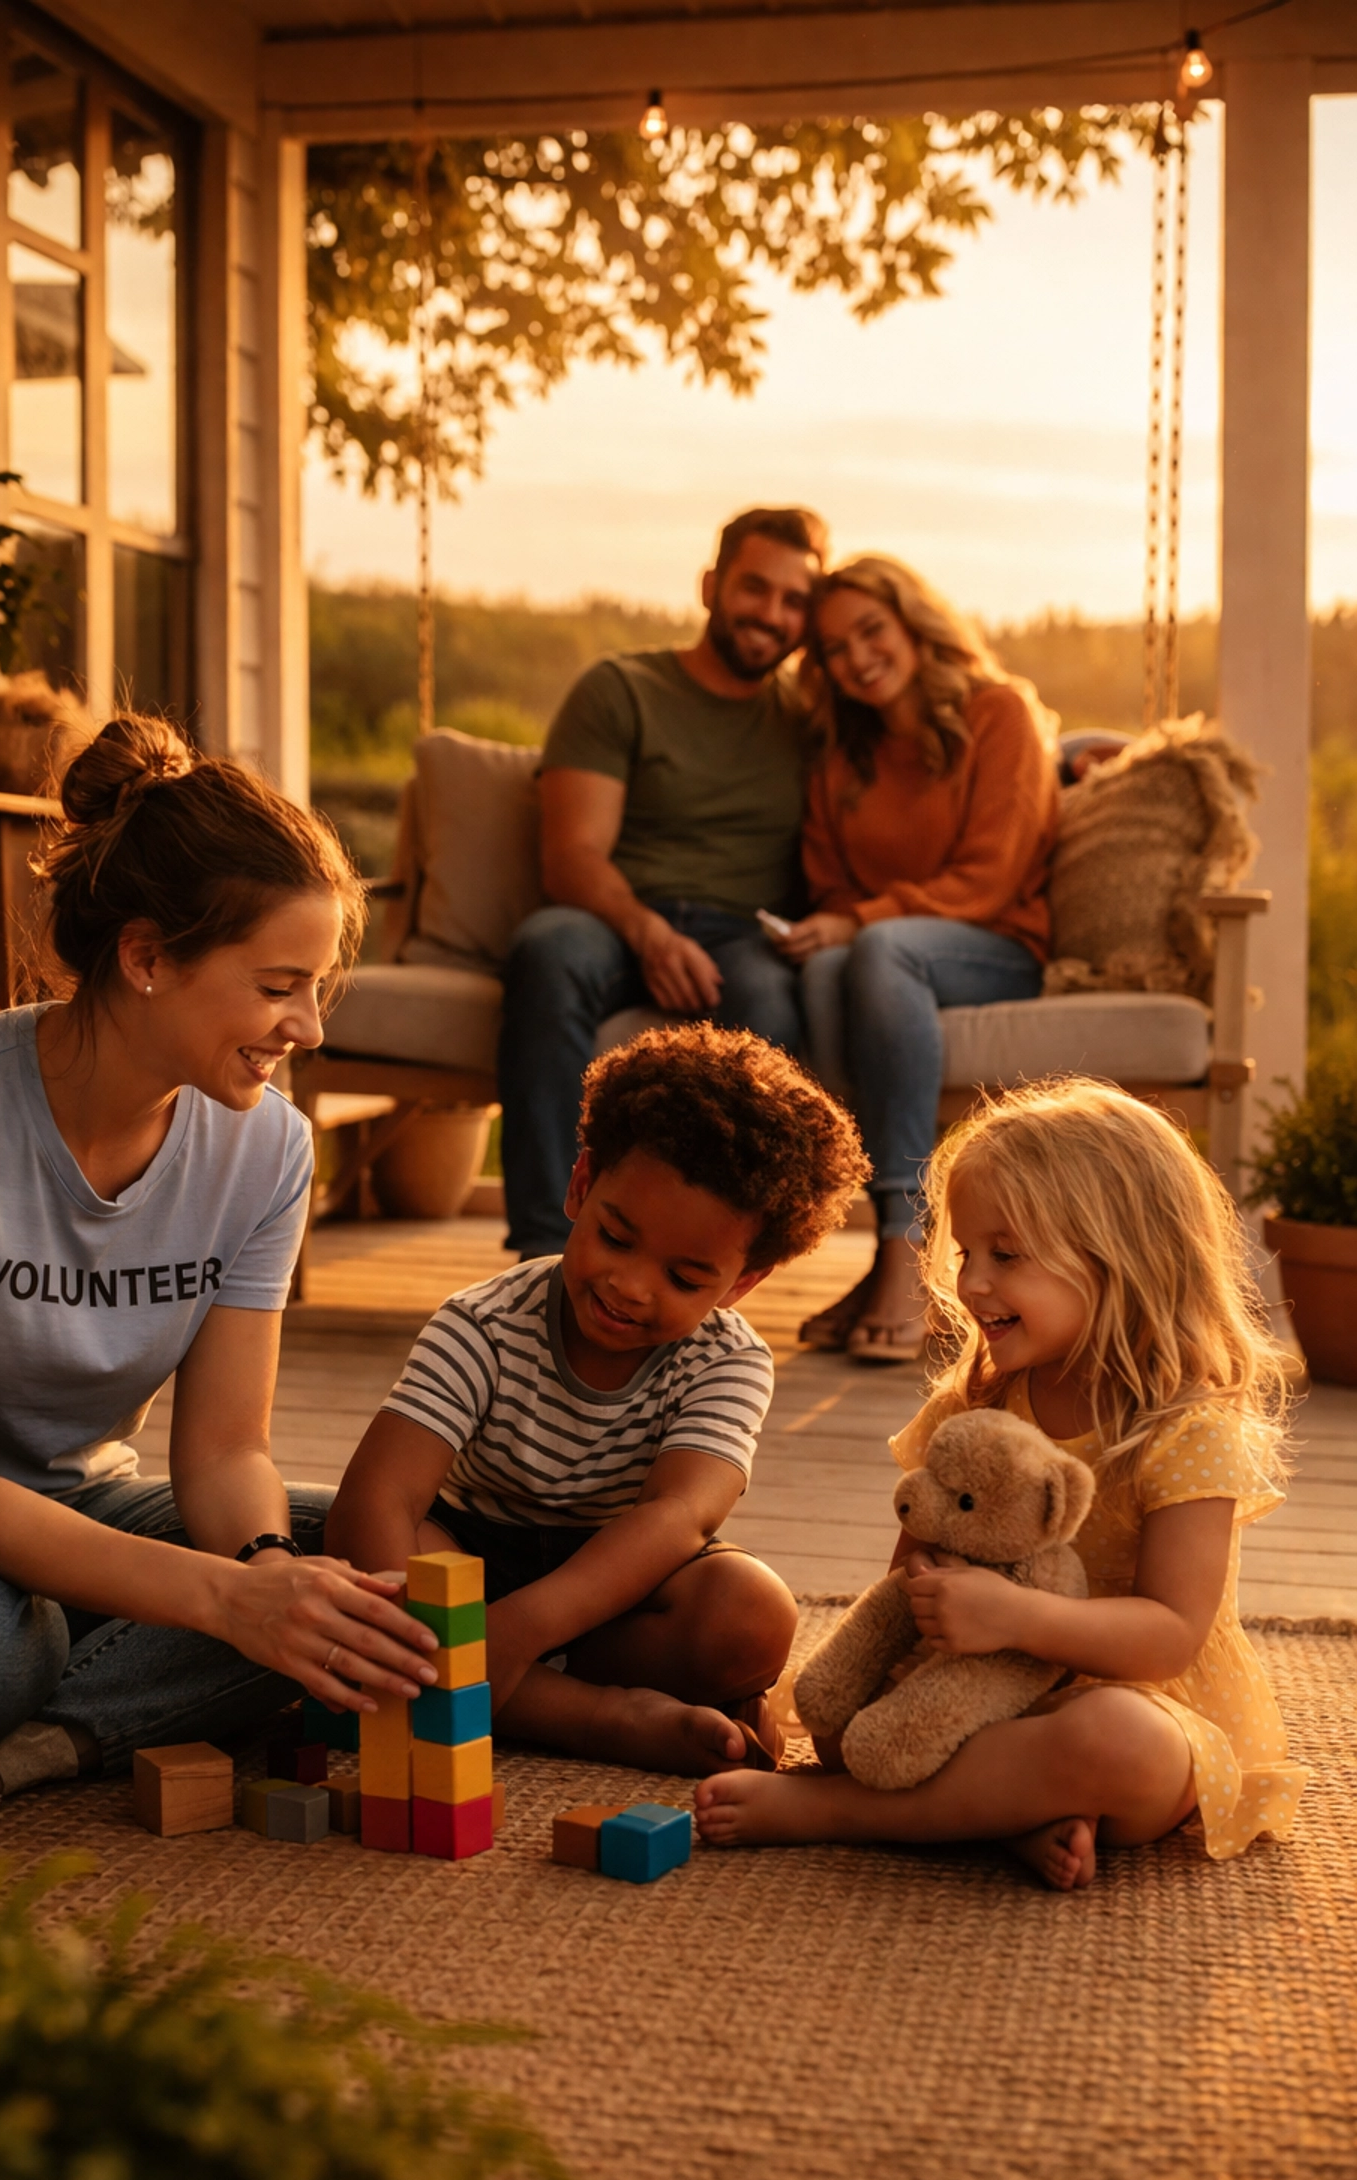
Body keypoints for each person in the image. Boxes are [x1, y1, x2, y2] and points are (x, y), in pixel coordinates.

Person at [0, 716, 440, 1879]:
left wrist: (260, 1571)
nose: (308, 1028)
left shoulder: (267, 1153)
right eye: (278, 987)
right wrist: (220, 1607)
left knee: (371, 1565)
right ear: (148, 956)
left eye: (317, 989)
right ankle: (53, 1692)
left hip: (79, 1516)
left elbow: (223, 1453)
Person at [695, 1079, 1308, 1888]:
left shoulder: (1186, 1429)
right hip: (979, 1697)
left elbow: (1169, 1634)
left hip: (1131, 1705)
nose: (971, 1283)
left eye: (1006, 1255)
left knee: (1120, 1744)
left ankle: (842, 1812)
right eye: (965, 1255)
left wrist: (1017, 1618)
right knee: (850, 1718)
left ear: (1118, 1254)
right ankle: (1003, 1814)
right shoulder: (980, 1401)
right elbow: (904, 1576)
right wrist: (917, 1624)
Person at [327, 1024, 866, 1776]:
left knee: (752, 1615)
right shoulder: (483, 1324)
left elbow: (679, 1516)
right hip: (471, 1559)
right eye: (616, 1238)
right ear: (582, 1185)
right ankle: (596, 1716)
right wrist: (436, 1634)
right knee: (372, 1552)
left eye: (684, 1280)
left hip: (617, 1590)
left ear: (741, 1284)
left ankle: (488, 1684)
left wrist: (519, 1630)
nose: (631, 1286)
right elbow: (379, 1495)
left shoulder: (728, 1359)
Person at [498, 505, 828, 1259]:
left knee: (770, 999)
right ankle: (547, 1249)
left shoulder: (811, 722)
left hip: (744, 932)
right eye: (755, 588)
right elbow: (571, 856)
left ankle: (714, 1254)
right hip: (616, 917)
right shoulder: (621, 689)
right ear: (711, 586)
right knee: (546, 950)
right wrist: (649, 933)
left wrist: (1068, 756)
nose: (771, 614)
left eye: (793, 601)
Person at [774, 555, 1060, 1362]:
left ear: (912, 625)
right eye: (835, 647)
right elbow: (830, 885)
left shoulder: (997, 712)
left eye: (873, 630)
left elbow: (993, 874)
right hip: (884, 950)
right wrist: (834, 926)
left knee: (873, 948)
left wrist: (865, 918)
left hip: (998, 940)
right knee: (829, 966)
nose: (859, 656)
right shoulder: (844, 756)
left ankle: (909, 1250)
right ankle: (886, 1258)